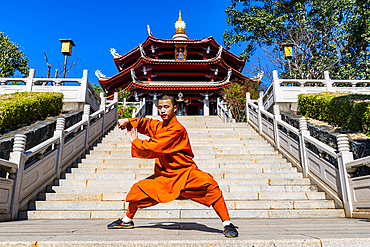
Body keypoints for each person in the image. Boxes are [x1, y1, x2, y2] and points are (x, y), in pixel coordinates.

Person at [107, 95, 238, 238]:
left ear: (175, 108)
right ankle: (127, 220)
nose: (162, 110)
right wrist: (129, 121)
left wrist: (135, 141)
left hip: (184, 173)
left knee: (210, 185)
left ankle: (227, 223)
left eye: (166, 107)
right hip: (165, 175)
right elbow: (147, 123)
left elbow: (156, 147)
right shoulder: (160, 126)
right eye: (160, 107)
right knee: (138, 189)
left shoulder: (177, 129)